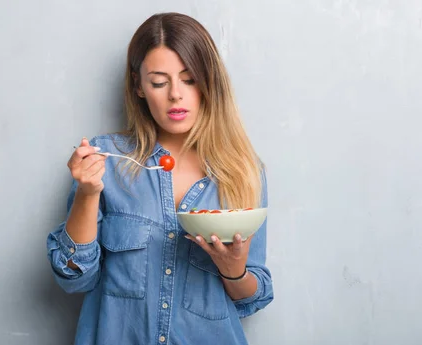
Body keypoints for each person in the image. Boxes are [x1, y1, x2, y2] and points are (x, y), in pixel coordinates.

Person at [46, 12, 273, 345]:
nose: (176, 95)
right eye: (159, 81)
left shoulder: (244, 172)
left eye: (190, 78)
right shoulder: (107, 159)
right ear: (139, 86)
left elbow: (252, 299)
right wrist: (87, 192)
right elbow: (74, 278)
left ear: (208, 82)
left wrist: (233, 268)